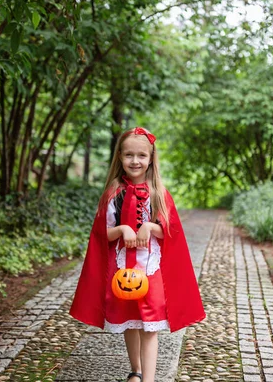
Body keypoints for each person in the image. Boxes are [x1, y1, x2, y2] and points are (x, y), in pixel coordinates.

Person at [69, 127, 205, 382]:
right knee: (130, 322)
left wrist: (150, 226)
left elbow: (171, 233)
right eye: (129, 155)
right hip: (122, 270)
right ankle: (136, 370)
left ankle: (149, 379)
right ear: (119, 157)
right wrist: (121, 229)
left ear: (151, 158)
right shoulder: (113, 194)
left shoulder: (159, 194)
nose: (135, 161)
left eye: (141, 155)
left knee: (149, 326)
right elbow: (101, 234)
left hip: (150, 268)